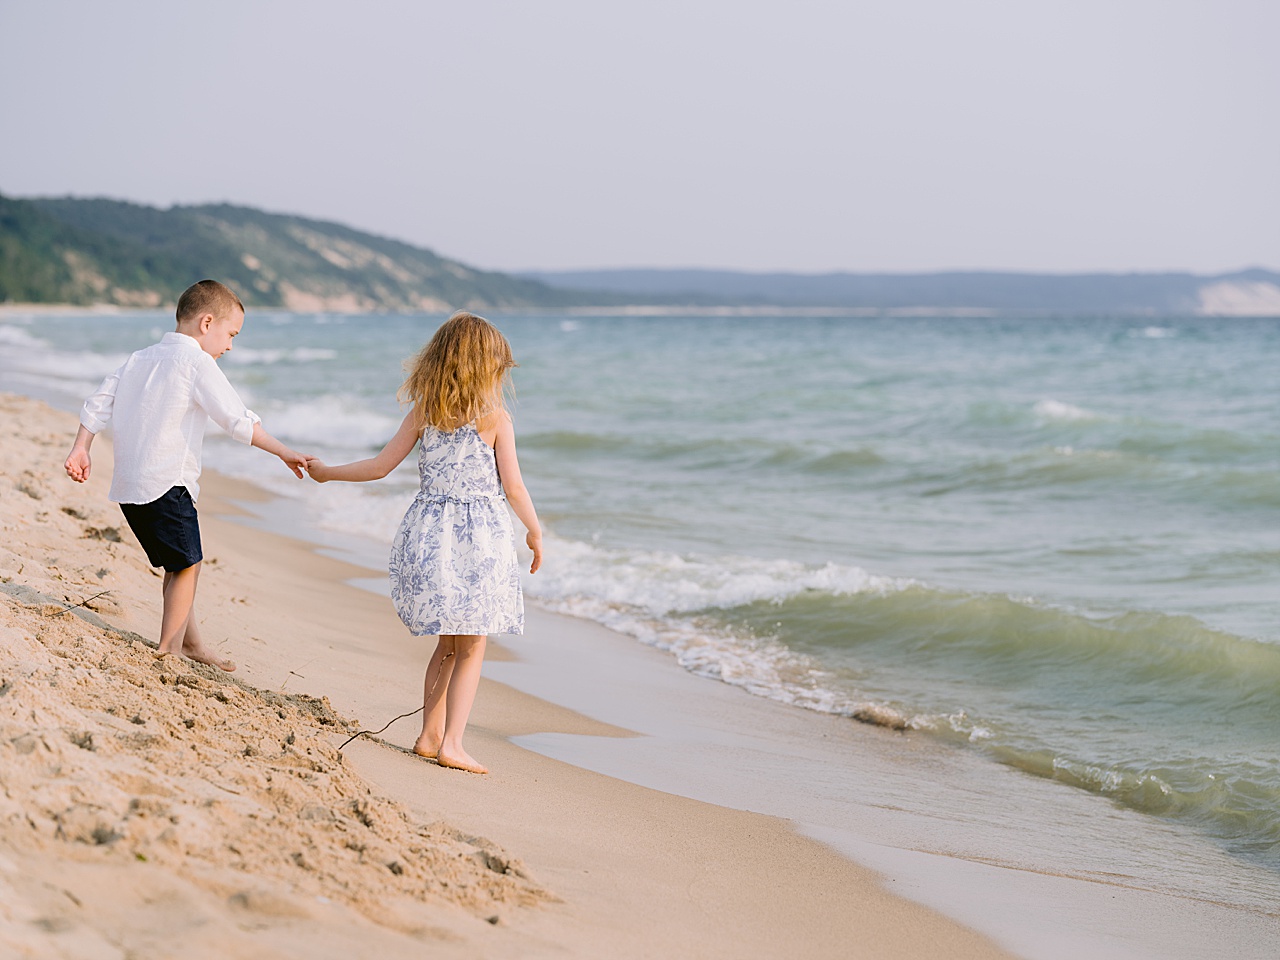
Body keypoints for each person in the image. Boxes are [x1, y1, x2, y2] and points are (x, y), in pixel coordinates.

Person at [306, 312, 542, 775]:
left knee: (448, 644)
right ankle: (452, 741)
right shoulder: (495, 418)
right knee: (473, 645)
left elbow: (378, 467)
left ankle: (429, 735)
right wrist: (535, 530)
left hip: (430, 533)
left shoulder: (425, 412)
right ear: (485, 367)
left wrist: (328, 472)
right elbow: (514, 487)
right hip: (478, 540)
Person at [64, 279, 309, 671]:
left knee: (178, 566)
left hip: (129, 488)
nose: (230, 345)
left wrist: (81, 447)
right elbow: (236, 419)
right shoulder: (196, 362)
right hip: (167, 484)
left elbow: (98, 404)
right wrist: (284, 451)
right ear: (206, 323)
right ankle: (168, 650)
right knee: (187, 565)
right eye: (231, 334)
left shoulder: (138, 358)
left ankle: (192, 644)